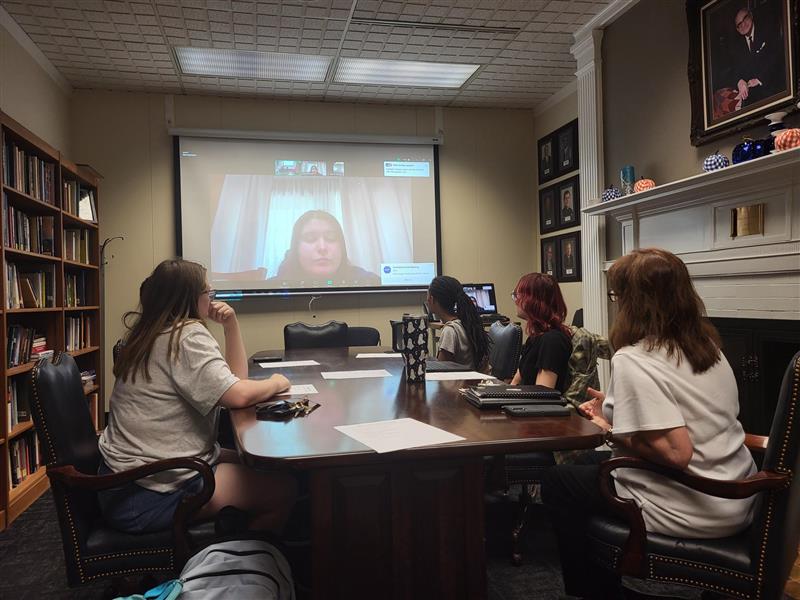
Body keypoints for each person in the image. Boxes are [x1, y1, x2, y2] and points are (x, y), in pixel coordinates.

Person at [541, 248, 757, 599]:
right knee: (586, 464)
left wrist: (607, 427)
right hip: (737, 495)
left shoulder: (634, 358)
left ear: (631, 302)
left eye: (616, 296)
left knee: (559, 481)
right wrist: (615, 408)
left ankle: (596, 590)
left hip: (691, 505)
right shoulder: (708, 348)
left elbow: (676, 453)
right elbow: (688, 415)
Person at [98, 259, 297, 534]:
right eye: (209, 294)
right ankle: (238, 564)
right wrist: (277, 382)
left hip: (122, 483)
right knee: (284, 488)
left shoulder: (149, 333)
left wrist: (231, 325)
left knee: (265, 463)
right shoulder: (186, 336)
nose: (212, 300)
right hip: (149, 495)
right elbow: (239, 396)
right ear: (191, 298)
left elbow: (234, 384)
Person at [269, 210, 380, 285]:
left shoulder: (369, 281)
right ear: (295, 248)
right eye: (310, 238)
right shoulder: (271, 289)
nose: (322, 247)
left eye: (331, 238)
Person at [510, 273, 572, 391]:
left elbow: (542, 395)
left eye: (517, 295)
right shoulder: (535, 338)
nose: (515, 301)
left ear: (532, 300)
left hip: (536, 407)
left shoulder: (552, 341)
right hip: (522, 404)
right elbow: (515, 384)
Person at [427, 275, 490, 371]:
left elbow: (440, 372)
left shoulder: (450, 331)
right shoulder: (466, 323)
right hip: (473, 382)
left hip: (460, 384)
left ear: (431, 299)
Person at [727, 6, 785, 107]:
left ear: (751, 16)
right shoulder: (735, 46)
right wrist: (739, 81)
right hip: (751, 98)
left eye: (744, 19)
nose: (743, 25)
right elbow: (732, 70)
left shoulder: (768, 30)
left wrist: (759, 80)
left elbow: (778, 57)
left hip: (773, 89)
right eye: (739, 25)